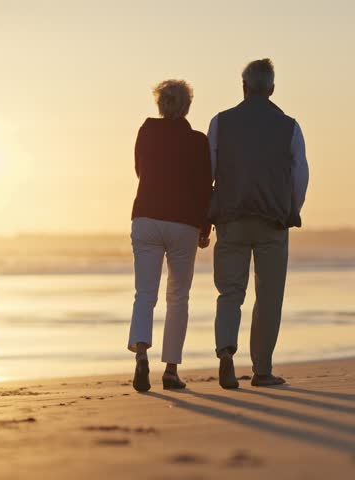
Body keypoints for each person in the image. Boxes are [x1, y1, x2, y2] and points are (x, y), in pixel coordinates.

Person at [208, 59, 309, 389]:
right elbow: (300, 177)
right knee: (269, 296)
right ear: (272, 89)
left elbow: (209, 170)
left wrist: (207, 215)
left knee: (230, 292)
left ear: (244, 87)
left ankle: (225, 353)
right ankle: (261, 369)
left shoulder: (220, 123)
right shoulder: (289, 126)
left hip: (231, 218)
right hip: (272, 222)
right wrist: (291, 209)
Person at [128, 79, 213, 392]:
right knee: (177, 296)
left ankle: (140, 356)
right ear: (187, 107)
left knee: (144, 294)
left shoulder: (147, 131)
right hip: (183, 223)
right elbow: (205, 189)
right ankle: (171, 370)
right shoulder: (198, 142)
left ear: (160, 106)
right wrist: (205, 228)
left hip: (146, 217)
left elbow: (140, 170)